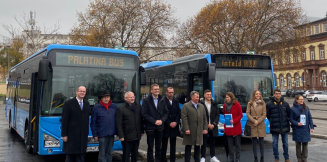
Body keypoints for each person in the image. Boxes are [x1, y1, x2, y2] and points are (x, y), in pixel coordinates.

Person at [61, 86, 91, 162]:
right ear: (76, 92)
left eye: (84, 91)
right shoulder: (69, 103)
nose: (82, 93)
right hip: (71, 136)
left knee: (81, 157)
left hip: (82, 136)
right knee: (70, 158)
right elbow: (64, 120)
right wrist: (64, 135)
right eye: (80, 91)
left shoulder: (87, 103)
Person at [141, 83, 168, 162]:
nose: (157, 90)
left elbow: (166, 112)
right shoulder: (146, 100)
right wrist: (154, 121)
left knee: (158, 146)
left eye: (158, 89)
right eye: (155, 89)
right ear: (151, 90)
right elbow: (144, 114)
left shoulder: (162, 99)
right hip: (150, 128)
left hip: (160, 127)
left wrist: (162, 120)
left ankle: (158, 160)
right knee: (150, 147)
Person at [116, 91, 143, 162]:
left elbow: (141, 120)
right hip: (126, 137)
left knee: (135, 155)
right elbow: (118, 124)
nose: (132, 98)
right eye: (130, 97)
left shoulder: (138, 106)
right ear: (126, 98)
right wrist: (121, 136)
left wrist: (142, 131)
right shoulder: (121, 108)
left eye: (133, 97)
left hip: (137, 136)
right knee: (126, 155)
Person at [181, 91, 208, 162]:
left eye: (198, 97)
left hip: (199, 131)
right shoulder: (186, 106)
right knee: (188, 147)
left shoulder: (201, 106)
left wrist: (205, 128)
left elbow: (205, 118)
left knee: (197, 148)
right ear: (192, 97)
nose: (198, 98)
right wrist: (186, 128)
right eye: (196, 97)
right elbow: (184, 118)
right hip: (190, 131)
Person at [91, 91, 117, 162]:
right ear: (101, 98)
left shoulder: (114, 106)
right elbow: (93, 122)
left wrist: (117, 132)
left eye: (108, 97)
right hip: (102, 135)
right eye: (104, 97)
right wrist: (95, 134)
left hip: (111, 134)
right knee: (102, 154)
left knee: (109, 153)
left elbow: (117, 120)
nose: (106, 99)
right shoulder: (96, 107)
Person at [266, 89, 291, 162]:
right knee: (274, 144)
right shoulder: (269, 104)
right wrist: (272, 121)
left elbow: (289, 114)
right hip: (274, 127)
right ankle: (276, 158)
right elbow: (268, 115)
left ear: (281, 94)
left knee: (285, 144)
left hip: (284, 127)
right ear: (274, 94)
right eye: (276, 93)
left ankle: (286, 158)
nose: (278, 95)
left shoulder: (285, 104)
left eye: (279, 93)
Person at [290, 95, 314, 162]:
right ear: (296, 100)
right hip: (297, 129)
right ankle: (299, 159)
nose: (302, 100)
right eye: (300, 99)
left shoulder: (306, 108)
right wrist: (297, 123)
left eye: (302, 99)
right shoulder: (292, 109)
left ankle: (304, 158)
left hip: (305, 129)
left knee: (305, 145)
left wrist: (312, 127)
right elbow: (291, 119)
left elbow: (310, 118)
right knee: (298, 145)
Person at [160, 87, 181, 162]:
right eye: (169, 92)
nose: (171, 94)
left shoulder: (176, 101)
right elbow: (163, 114)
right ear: (166, 93)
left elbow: (179, 113)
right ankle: (163, 159)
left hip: (174, 126)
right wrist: (169, 123)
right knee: (164, 145)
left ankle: (172, 159)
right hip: (166, 126)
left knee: (173, 145)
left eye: (172, 92)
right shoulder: (162, 101)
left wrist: (176, 122)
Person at [200, 89, 220, 162]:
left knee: (212, 142)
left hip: (213, 126)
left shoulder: (214, 103)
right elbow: (200, 115)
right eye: (207, 94)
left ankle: (213, 156)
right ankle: (203, 157)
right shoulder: (201, 104)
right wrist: (206, 124)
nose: (209, 96)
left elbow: (217, 114)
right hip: (204, 126)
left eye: (210, 94)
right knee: (203, 142)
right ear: (204, 95)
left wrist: (214, 124)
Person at [246, 90, 267, 162]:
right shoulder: (250, 103)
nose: (258, 95)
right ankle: (255, 157)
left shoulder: (263, 103)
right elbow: (248, 113)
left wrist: (258, 121)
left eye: (259, 94)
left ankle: (262, 157)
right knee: (254, 141)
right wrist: (254, 120)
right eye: (256, 94)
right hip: (253, 124)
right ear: (254, 95)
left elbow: (264, 114)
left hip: (260, 123)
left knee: (261, 141)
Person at [223, 92, 243, 162]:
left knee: (237, 145)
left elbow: (240, 115)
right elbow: (225, 115)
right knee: (230, 146)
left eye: (228, 97)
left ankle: (237, 159)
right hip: (228, 128)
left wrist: (234, 121)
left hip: (236, 127)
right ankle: (232, 159)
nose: (227, 98)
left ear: (231, 97)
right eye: (226, 97)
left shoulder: (237, 104)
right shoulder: (224, 105)